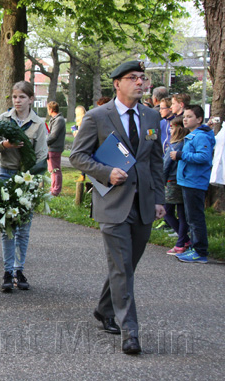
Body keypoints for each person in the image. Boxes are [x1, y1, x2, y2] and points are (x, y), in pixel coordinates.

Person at [70, 60, 165, 355]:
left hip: (145, 203)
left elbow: (156, 160)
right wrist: (105, 172)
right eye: (132, 78)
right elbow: (77, 157)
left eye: (142, 78)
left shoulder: (151, 116)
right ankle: (130, 331)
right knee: (122, 267)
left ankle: (103, 308)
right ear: (117, 83)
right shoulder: (98, 117)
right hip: (112, 203)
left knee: (126, 266)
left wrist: (160, 198)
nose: (140, 83)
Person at [0, 81, 47, 293]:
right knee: (7, 226)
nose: (17, 101)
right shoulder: (4, 120)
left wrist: (36, 180)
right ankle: (7, 271)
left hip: (27, 177)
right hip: (6, 173)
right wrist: (6, 144)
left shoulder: (38, 124)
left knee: (23, 227)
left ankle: (19, 269)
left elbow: (41, 155)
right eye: (14, 97)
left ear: (31, 99)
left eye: (22, 97)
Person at [171, 105, 216, 264]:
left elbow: (204, 157)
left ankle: (200, 251)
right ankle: (195, 248)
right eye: (184, 116)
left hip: (194, 182)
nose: (185, 119)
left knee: (195, 218)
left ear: (199, 119)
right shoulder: (193, 134)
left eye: (189, 116)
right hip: (188, 180)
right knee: (190, 217)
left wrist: (181, 155)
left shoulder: (200, 136)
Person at [163, 116, 191, 255]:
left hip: (172, 181)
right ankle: (184, 240)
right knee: (181, 213)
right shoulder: (186, 143)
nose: (170, 129)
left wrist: (160, 181)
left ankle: (183, 241)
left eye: (172, 127)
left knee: (166, 211)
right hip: (180, 180)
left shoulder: (176, 145)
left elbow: (166, 164)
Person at [46, 101, 66, 196]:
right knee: (52, 169)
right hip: (51, 148)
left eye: (48, 109)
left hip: (55, 148)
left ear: (51, 109)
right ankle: (53, 188)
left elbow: (53, 135)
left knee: (55, 169)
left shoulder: (59, 120)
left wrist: (44, 142)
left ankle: (56, 190)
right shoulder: (54, 119)